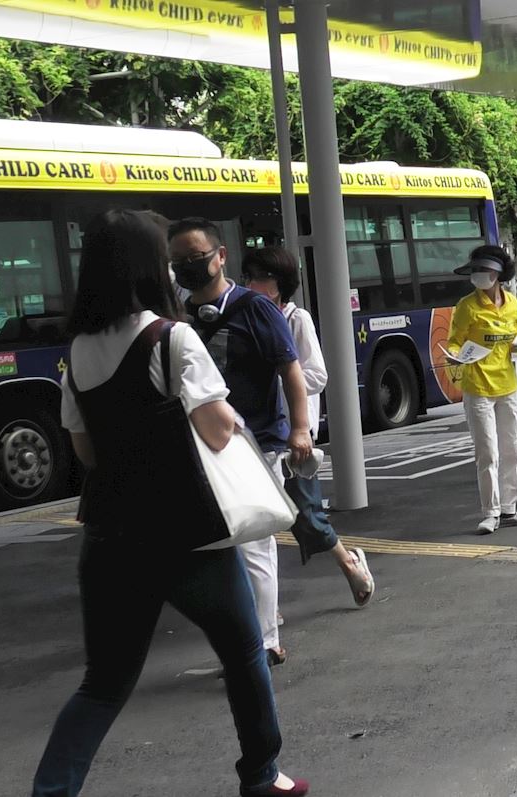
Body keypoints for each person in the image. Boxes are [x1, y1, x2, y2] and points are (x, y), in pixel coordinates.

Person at [33, 209, 308, 797]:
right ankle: (262, 775)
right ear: (146, 268)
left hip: (109, 535)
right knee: (244, 654)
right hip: (187, 534)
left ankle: (52, 791)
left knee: (103, 684)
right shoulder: (171, 337)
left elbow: (86, 450)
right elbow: (217, 431)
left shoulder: (79, 350)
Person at [168, 218, 313, 667]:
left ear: (221, 256)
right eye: (179, 261)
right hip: (200, 447)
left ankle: (264, 641)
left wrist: (300, 429)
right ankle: (241, 640)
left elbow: (291, 370)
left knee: (254, 544)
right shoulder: (178, 317)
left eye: (196, 257)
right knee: (215, 548)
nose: (189, 266)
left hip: (255, 444)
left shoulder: (256, 308)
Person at [241, 247, 375, 604]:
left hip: (292, 434)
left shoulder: (295, 318)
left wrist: (279, 377)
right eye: (249, 277)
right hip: (257, 434)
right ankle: (265, 605)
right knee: (257, 520)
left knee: (307, 514)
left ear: (281, 283)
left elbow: (316, 374)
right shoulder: (245, 318)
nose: (253, 284)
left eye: (262, 278)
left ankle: (350, 563)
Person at [446, 245, 517, 534]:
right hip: (478, 388)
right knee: (487, 454)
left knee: (511, 451)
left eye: (484, 270)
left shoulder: (511, 305)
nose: (478, 275)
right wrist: (454, 356)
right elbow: (455, 342)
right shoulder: (466, 306)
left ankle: (509, 509)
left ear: (498, 274)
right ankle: (490, 513)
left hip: (507, 386)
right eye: (475, 270)